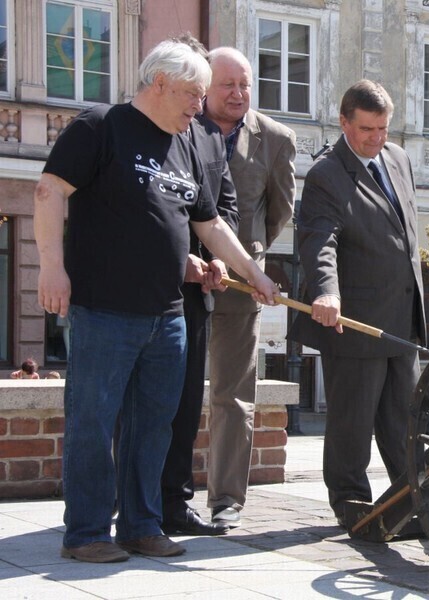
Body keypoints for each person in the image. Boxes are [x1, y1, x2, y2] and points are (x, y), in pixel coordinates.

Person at [34, 39, 281, 564]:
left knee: (155, 428)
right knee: (93, 425)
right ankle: (85, 533)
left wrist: (255, 272)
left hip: (167, 315)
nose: (200, 105)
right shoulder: (100, 126)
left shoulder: (186, 141)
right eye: (193, 93)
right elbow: (50, 192)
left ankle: (141, 525)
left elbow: (209, 224)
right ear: (160, 83)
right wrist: (52, 267)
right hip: (103, 310)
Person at [288, 79, 426, 525]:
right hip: (355, 320)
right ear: (344, 122)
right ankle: (349, 501)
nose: (376, 138)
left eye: (383, 128)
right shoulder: (327, 173)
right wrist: (326, 290)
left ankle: (413, 498)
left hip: (402, 318)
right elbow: (318, 240)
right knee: (353, 420)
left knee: (404, 419)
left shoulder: (399, 158)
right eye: (366, 128)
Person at [203, 47, 296, 527]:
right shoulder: (182, 126)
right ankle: (156, 497)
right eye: (228, 85)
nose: (238, 94)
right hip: (177, 278)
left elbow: (280, 211)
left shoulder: (276, 139)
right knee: (162, 391)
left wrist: (251, 254)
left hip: (242, 284)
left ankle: (225, 500)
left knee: (234, 394)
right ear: (205, 85)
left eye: (245, 85)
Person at [159, 35, 238, 537]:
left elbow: (222, 209)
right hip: (145, 290)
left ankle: (173, 504)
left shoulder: (209, 139)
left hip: (196, 296)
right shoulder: (135, 130)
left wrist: (216, 263)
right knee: (143, 404)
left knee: (187, 403)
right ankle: (133, 500)